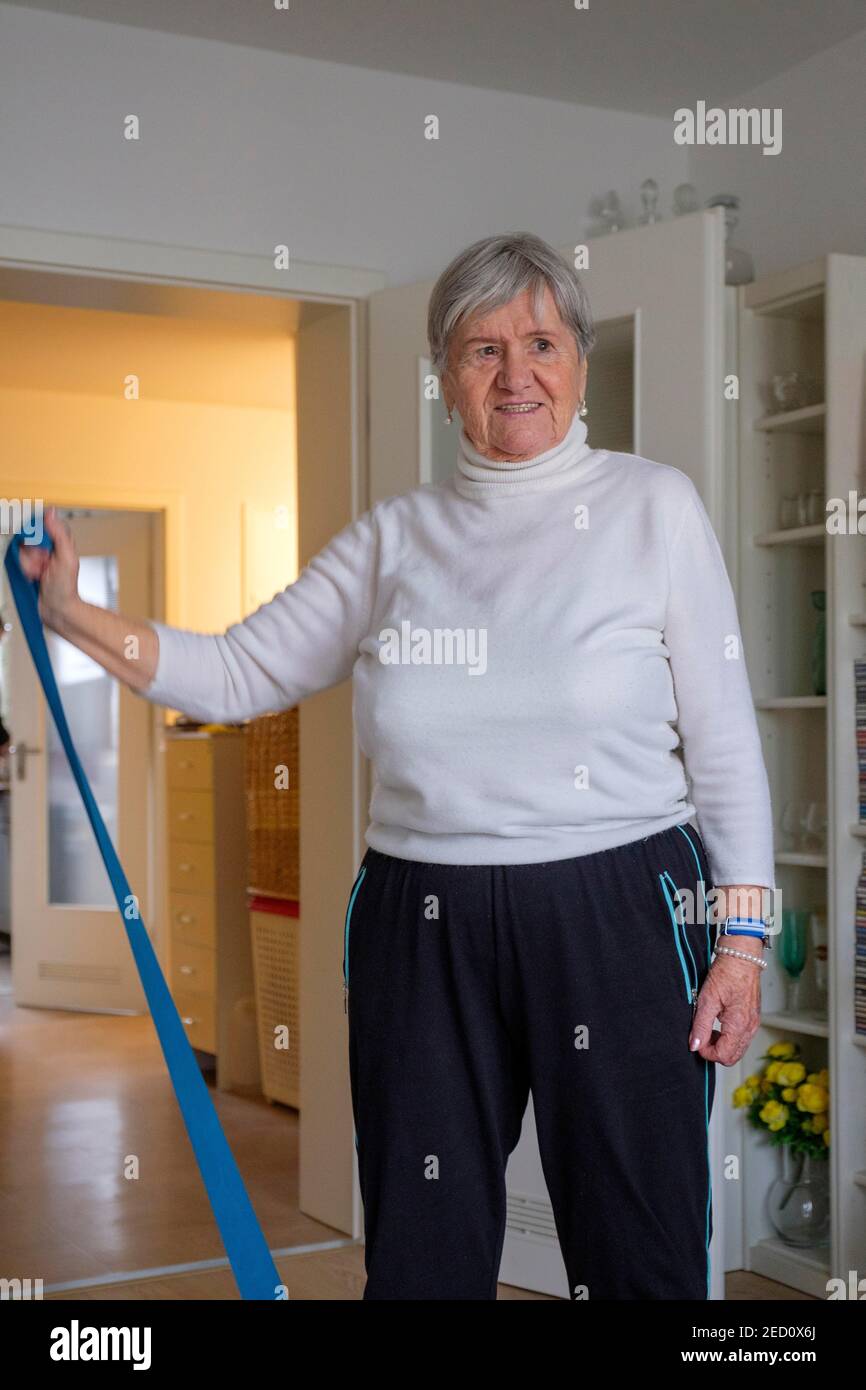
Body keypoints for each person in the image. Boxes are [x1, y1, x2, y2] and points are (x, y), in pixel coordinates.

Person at [18, 232, 774, 1301]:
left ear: (579, 364)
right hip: (419, 920)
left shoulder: (654, 510)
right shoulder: (392, 540)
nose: (515, 375)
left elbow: (726, 744)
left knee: (638, 1246)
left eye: (540, 343)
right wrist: (72, 612)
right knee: (421, 1252)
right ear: (443, 377)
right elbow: (235, 671)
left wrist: (740, 939)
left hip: (614, 906)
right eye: (480, 349)